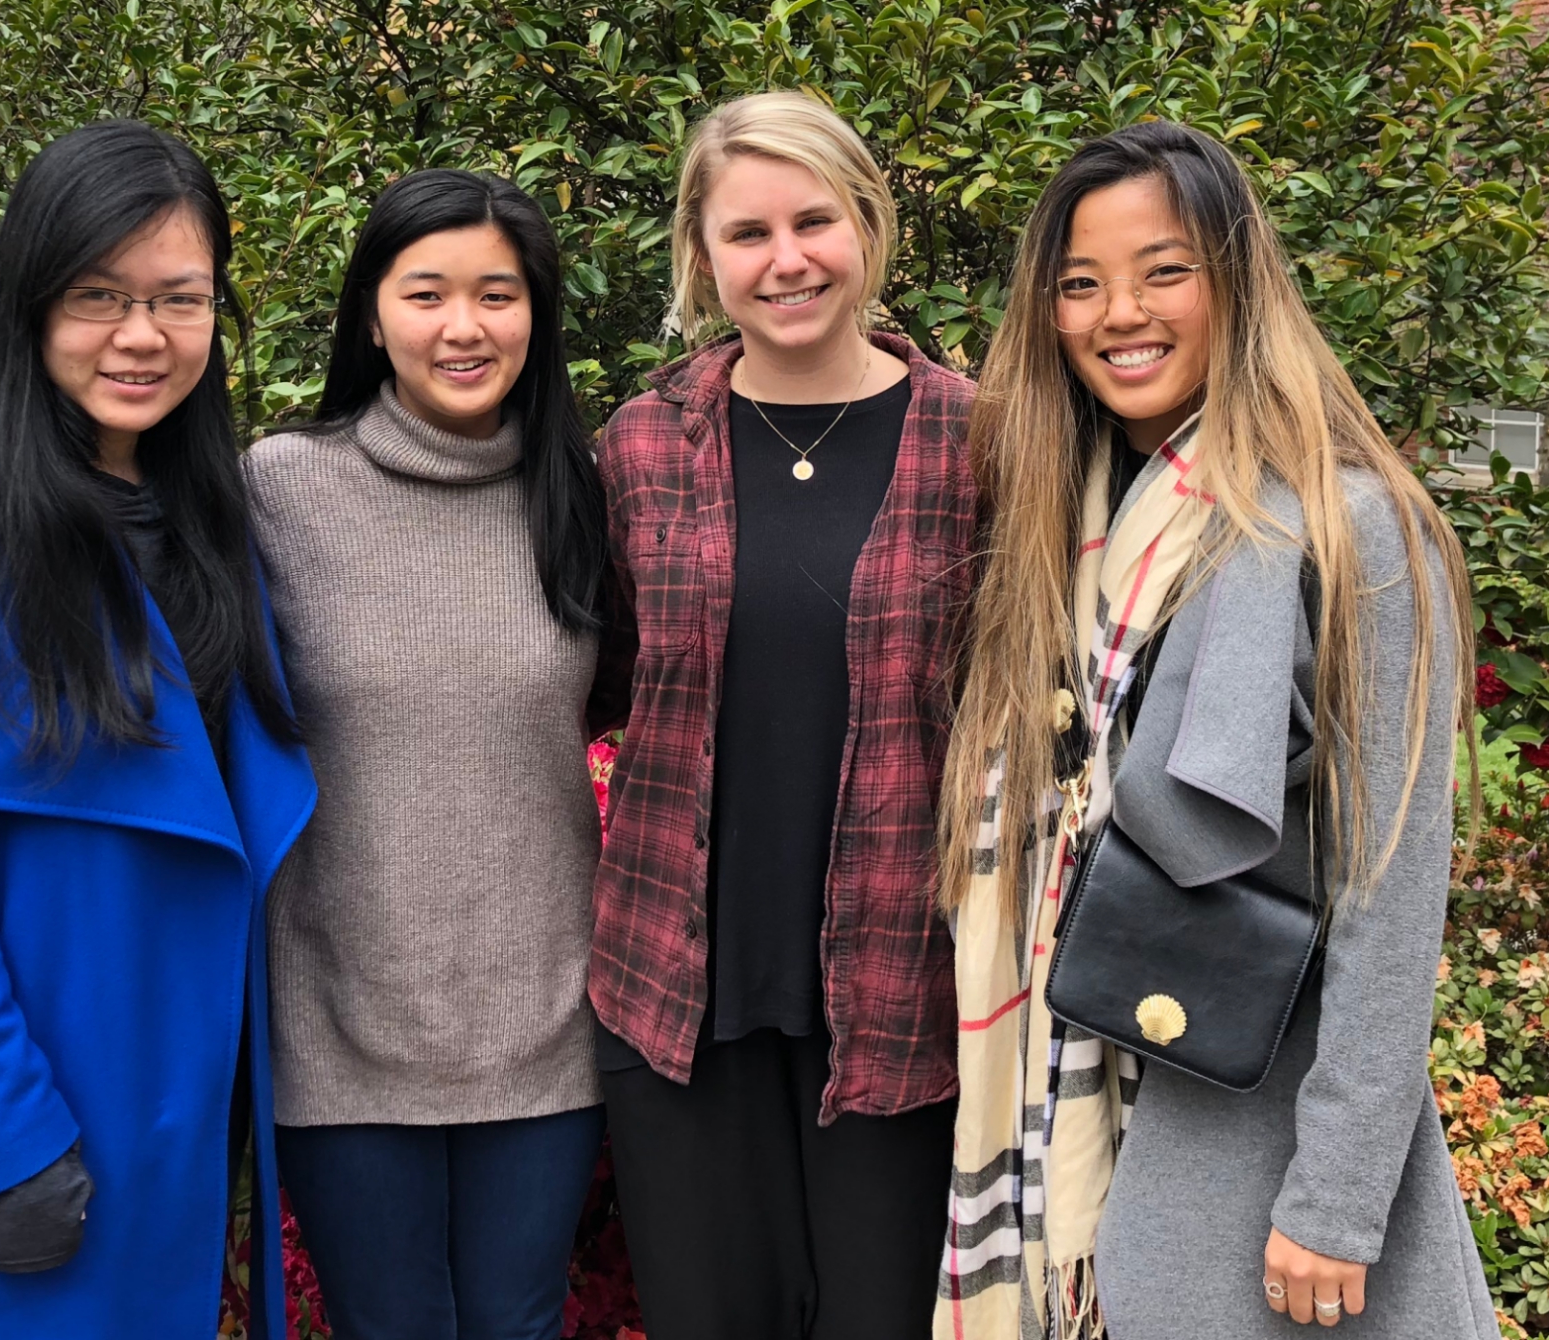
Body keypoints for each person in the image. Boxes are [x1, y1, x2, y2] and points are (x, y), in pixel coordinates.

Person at [935, 120, 1498, 1339]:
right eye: (1078, 283)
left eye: (1164, 269)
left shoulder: (1351, 529)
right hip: (1054, 1098)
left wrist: (1337, 1201)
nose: (1117, 312)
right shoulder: (1061, 522)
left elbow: (1390, 890)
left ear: (1237, 282)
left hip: (1241, 1129)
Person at [0, 120, 315, 1340]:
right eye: (99, 296)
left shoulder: (205, 512)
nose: (141, 336)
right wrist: (2, 1136)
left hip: (176, 1084)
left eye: (178, 298)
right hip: (34, 1092)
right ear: (29, 301)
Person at [588, 91, 977, 1339]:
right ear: (703, 258)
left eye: (814, 219)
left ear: (867, 224)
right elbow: (598, 677)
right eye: (746, 232)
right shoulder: (641, 445)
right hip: (676, 995)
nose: (786, 258)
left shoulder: (984, 439)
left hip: (903, 997)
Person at [243, 168, 614, 1340]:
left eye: (497, 294)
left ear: (537, 313)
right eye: (427, 293)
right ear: (371, 313)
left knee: (518, 1318)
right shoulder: (279, 487)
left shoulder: (587, 490)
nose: (464, 326)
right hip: (342, 1017)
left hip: (544, 1018)